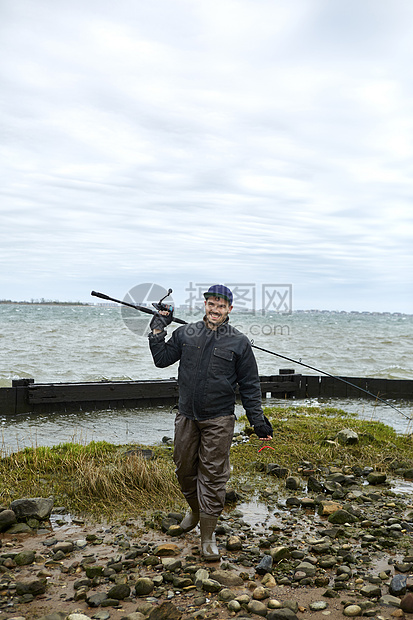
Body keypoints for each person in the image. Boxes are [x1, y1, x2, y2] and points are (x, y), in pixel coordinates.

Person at [148, 284, 273, 561]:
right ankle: (194, 510)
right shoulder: (185, 333)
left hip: (219, 419)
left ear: (229, 309)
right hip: (186, 416)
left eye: (221, 306)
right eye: (211, 304)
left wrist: (258, 421)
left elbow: (250, 386)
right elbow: (161, 360)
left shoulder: (239, 342)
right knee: (183, 468)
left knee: (214, 476)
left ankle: (207, 537)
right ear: (205, 305)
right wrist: (158, 327)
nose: (215, 310)